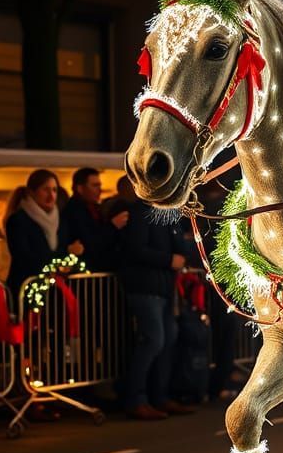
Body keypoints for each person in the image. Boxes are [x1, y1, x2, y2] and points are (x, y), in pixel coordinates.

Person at [116, 181, 193, 420]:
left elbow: (182, 247)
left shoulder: (168, 216)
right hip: (145, 288)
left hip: (163, 289)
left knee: (167, 340)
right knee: (153, 341)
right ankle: (136, 398)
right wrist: (168, 260)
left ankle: (160, 396)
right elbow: (135, 249)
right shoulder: (140, 214)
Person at [4, 170, 83, 298]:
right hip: (28, 289)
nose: (51, 195)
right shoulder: (18, 220)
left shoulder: (61, 220)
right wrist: (66, 252)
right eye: (45, 190)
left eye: (54, 190)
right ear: (31, 192)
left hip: (54, 290)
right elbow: (25, 257)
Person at [62, 167, 128, 272]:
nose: (100, 189)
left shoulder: (94, 209)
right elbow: (90, 241)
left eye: (99, 185)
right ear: (80, 188)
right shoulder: (74, 211)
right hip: (86, 272)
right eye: (94, 185)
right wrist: (113, 226)